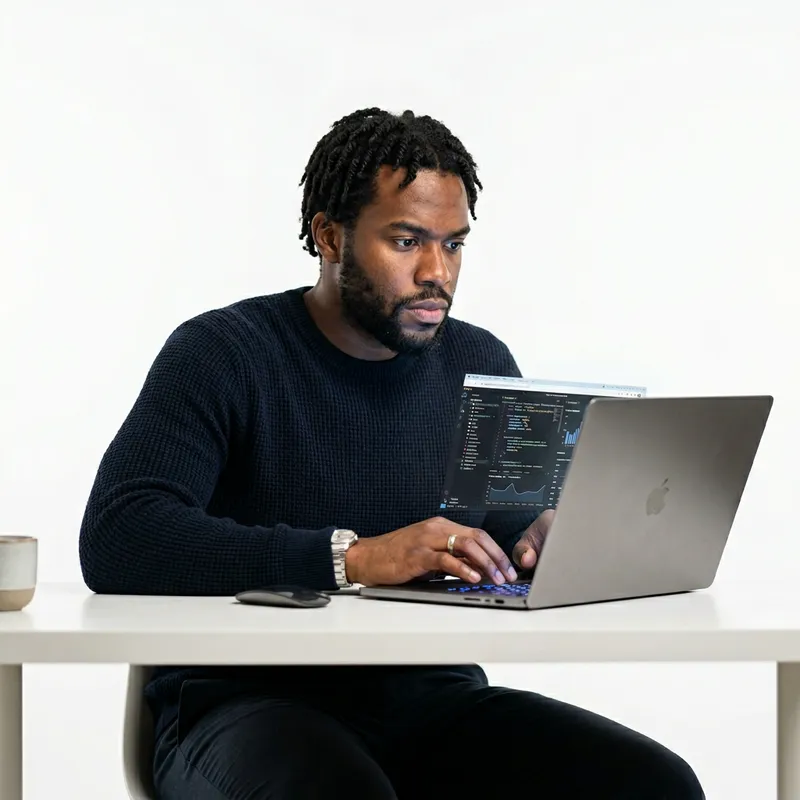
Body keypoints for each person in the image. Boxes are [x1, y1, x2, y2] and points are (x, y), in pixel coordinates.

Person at [79, 107, 704, 799]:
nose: (437, 272)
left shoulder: (480, 360)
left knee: (653, 785)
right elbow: (120, 534)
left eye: (455, 244)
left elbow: (494, 547)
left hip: (434, 703)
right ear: (329, 236)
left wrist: (545, 543)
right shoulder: (224, 354)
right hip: (241, 706)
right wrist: (353, 558)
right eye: (407, 241)